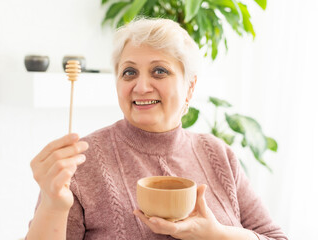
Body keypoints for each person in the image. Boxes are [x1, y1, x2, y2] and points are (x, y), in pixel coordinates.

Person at [26, 18, 288, 240]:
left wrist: (217, 233)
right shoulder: (79, 162)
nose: (141, 87)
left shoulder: (218, 154)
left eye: (159, 71)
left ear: (190, 87)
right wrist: (53, 204)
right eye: (129, 72)